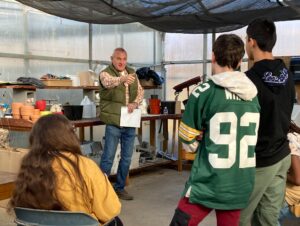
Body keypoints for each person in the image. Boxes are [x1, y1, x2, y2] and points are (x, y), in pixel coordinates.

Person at [169, 34, 260, 226]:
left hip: (208, 182)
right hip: (240, 183)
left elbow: (188, 142)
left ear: (213, 56)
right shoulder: (253, 94)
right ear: (239, 60)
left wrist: (202, 137)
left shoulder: (204, 91)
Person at [8, 114, 122, 226]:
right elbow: (110, 212)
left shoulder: (29, 166)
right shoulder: (85, 165)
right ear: (69, 136)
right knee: (116, 221)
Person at [239, 18, 295, 226]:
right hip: (282, 155)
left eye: (246, 39)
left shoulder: (248, 80)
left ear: (251, 41)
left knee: (239, 217)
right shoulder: (287, 75)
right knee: (268, 218)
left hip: (260, 160)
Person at [99, 47, 144, 200]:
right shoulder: (105, 73)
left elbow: (140, 92)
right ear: (112, 59)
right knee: (108, 157)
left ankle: (119, 187)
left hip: (129, 121)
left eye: (124, 59)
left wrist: (135, 103)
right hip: (114, 122)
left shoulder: (132, 73)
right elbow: (108, 83)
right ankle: (100, 190)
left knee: (126, 158)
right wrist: (122, 79)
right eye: (118, 59)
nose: (121, 62)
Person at [278, 122, 300, 225]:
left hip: (291, 197)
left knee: (264, 217)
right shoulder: (297, 135)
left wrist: (278, 172)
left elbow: (297, 179)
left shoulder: (289, 139)